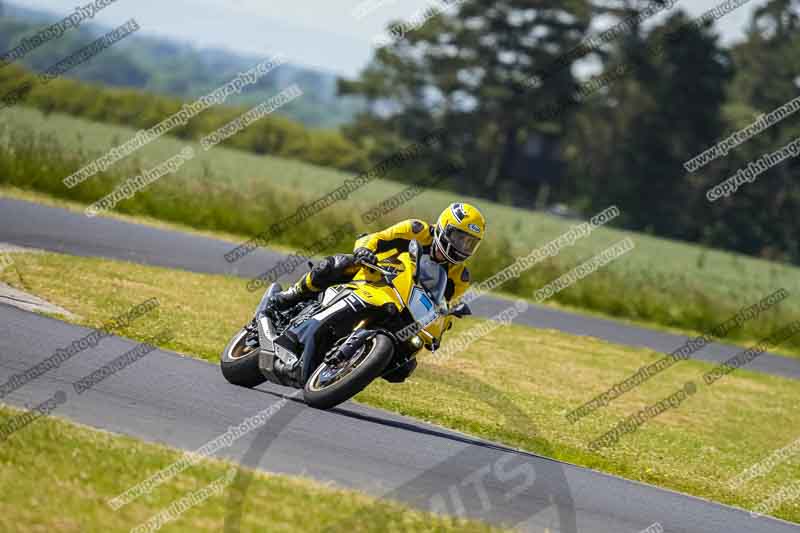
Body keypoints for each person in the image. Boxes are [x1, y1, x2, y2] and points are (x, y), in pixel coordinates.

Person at [266, 202, 486, 315]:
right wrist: (365, 250)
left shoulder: (460, 277)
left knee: (404, 368)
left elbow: (442, 307)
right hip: (373, 275)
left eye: (470, 243)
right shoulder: (416, 229)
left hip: (402, 306)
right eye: (459, 238)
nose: (462, 246)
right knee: (337, 265)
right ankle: (293, 294)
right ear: (445, 227)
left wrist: (449, 316)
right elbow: (377, 238)